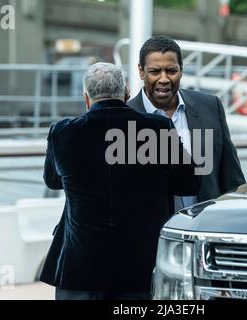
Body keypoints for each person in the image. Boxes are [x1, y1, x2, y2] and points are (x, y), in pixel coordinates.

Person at [39, 62, 199, 300]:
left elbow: (52, 181)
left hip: (80, 269)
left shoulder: (63, 133)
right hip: (142, 267)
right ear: (125, 93)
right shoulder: (158, 128)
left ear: (86, 98)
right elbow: (189, 184)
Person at [128, 35, 246, 212]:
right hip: (153, 236)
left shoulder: (210, 107)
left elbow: (232, 179)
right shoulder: (124, 118)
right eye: (155, 72)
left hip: (206, 229)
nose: (164, 79)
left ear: (181, 70)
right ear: (141, 71)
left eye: (171, 71)